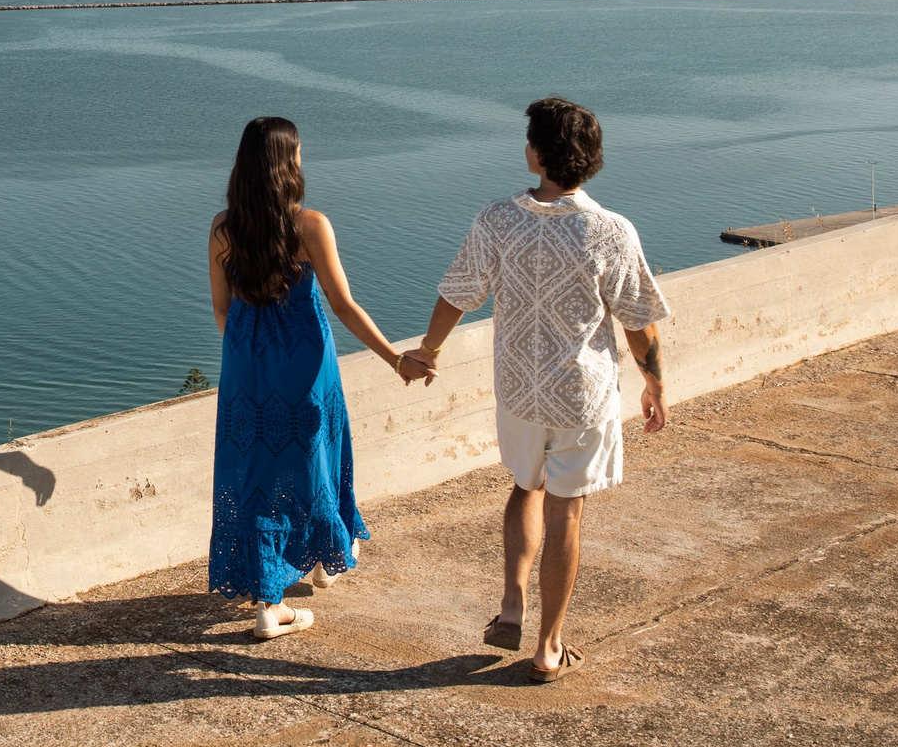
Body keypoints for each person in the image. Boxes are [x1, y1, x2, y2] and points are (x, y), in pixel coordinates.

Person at [400, 97, 669, 683]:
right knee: (566, 508)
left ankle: (511, 605)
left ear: (538, 155)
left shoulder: (498, 219)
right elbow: (639, 323)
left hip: (520, 390)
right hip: (581, 396)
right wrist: (654, 384)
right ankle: (549, 647)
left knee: (526, 486)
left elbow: (458, 293)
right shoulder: (611, 231)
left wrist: (429, 351)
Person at [207, 116, 418, 640]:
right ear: (287, 163)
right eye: (298, 152)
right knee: (316, 461)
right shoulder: (310, 226)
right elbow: (344, 306)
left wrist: (252, 354)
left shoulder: (223, 229)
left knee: (253, 475)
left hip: (245, 370)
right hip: (306, 369)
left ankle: (269, 604)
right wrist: (395, 359)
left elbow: (222, 311)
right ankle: (326, 556)